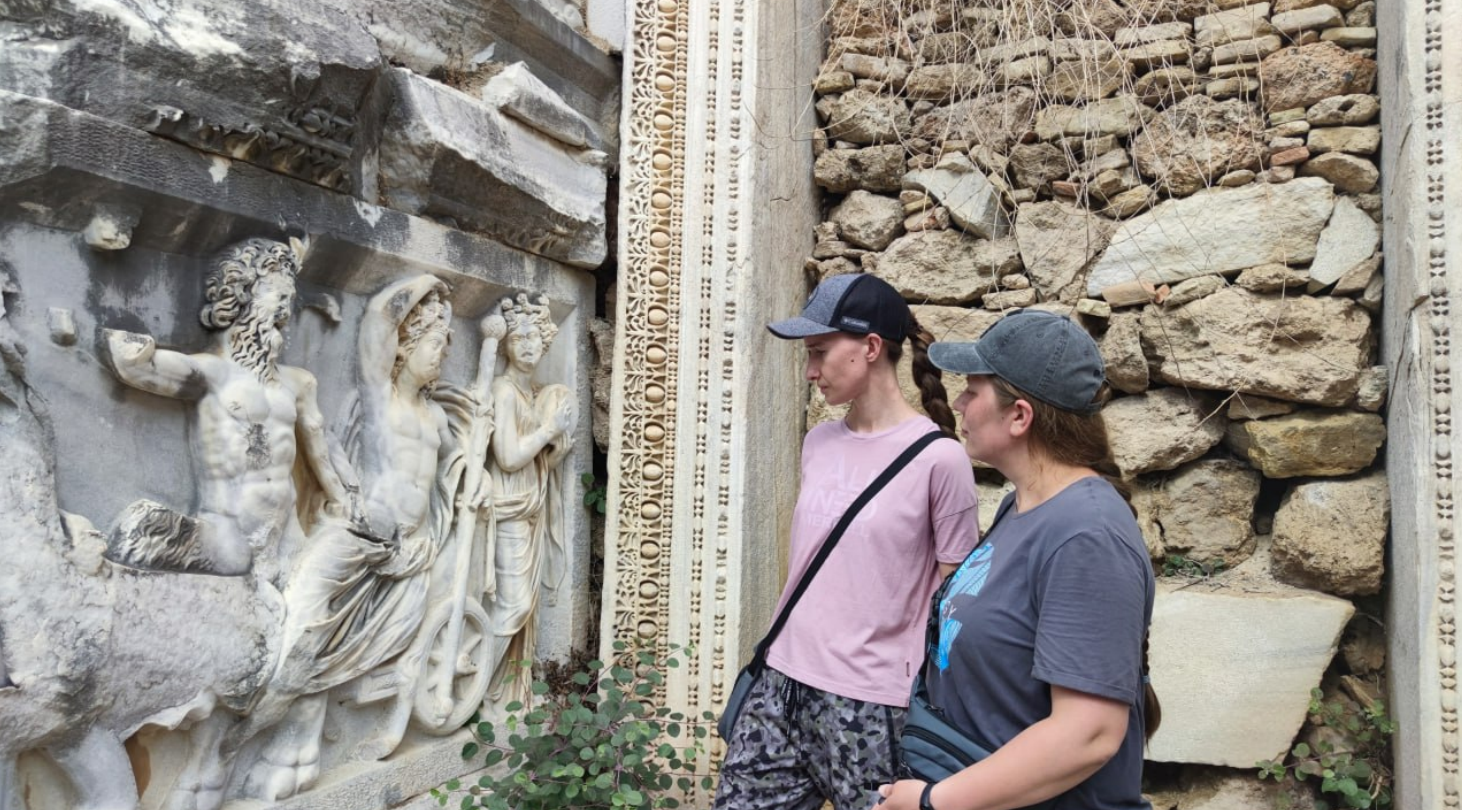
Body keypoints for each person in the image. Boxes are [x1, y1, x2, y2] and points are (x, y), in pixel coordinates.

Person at [714, 273, 979, 810]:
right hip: (779, 681)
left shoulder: (939, 459)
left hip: (871, 702)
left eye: (819, 351)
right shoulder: (820, 442)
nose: (811, 370)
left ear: (871, 347)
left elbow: (956, 595)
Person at [876, 310, 1160, 810]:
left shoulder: (1086, 535)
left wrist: (934, 801)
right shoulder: (1022, 504)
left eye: (974, 389)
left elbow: (1088, 733)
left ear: (1020, 416)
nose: (958, 402)